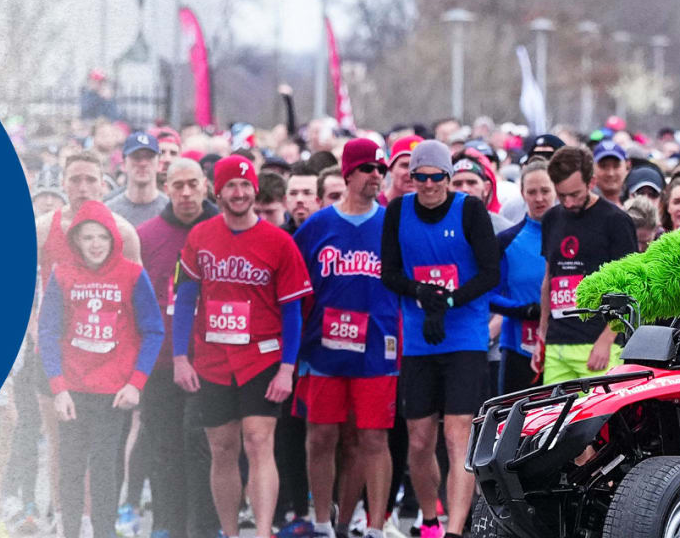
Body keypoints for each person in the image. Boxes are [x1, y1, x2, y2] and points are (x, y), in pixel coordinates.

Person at [172, 156, 313, 538]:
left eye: (245, 185)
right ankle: (232, 531)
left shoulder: (279, 242)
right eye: (231, 186)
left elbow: (293, 312)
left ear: (255, 190)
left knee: (257, 440)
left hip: (262, 357)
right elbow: (185, 300)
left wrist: (287, 368)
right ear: (217, 192)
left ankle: (263, 529)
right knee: (221, 448)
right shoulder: (199, 237)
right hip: (213, 358)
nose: (239, 193)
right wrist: (180, 358)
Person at [380, 140, 502, 538]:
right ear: (410, 178)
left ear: (448, 177)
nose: (429, 185)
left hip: (464, 336)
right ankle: (429, 521)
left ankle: (454, 528)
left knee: (456, 434)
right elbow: (389, 273)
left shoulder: (469, 209)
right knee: (418, 441)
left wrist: (448, 300)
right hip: (418, 340)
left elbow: (489, 274)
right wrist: (420, 293)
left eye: (436, 177)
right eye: (420, 177)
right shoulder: (398, 211)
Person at [291, 139, 402, 538]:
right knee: (321, 435)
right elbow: (296, 288)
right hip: (325, 349)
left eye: (380, 170)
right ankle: (322, 522)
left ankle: (369, 525)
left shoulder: (392, 223)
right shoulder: (318, 226)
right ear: (348, 174)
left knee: (371, 437)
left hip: (377, 348)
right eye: (369, 169)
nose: (377, 176)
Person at [38, 200, 165, 538]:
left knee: (105, 469)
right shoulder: (62, 274)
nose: (95, 244)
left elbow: (154, 329)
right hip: (73, 391)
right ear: (75, 240)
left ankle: (104, 532)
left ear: (114, 239)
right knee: (71, 469)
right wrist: (58, 387)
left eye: (102, 237)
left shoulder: (132, 274)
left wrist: (136, 383)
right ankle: (70, 531)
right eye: (87, 237)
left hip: (112, 393)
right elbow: (48, 330)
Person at [130, 157, 214, 538]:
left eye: (192, 185)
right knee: (162, 447)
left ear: (205, 186)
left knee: (204, 448)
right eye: (177, 185)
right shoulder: (146, 236)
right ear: (166, 188)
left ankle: (204, 526)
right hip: (161, 361)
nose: (185, 193)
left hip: (212, 360)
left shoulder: (221, 229)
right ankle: (166, 523)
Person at [534, 146, 640, 384]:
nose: (569, 203)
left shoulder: (615, 220)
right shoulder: (551, 218)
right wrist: (542, 333)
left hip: (599, 343)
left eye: (575, 194)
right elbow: (549, 277)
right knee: (554, 419)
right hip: (558, 344)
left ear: (591, 182)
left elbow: (630, 284)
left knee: (600, 420)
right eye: (562, 196)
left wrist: (608, 339)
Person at [489, 161, 554, 393]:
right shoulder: (507, 241)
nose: (539, 199)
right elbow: (490, 296)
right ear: (522, 193)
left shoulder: (571, 237)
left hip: (562, 349)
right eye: (532, 192)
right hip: (518, 348)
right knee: (514, 426)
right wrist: (525, 310)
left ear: (556, 189)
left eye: (545, 191)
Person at [108, 131, 173, 228]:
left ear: (159, 164)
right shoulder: (110, 211)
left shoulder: (171, 211)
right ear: (123, 165)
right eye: (136, 157)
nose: (143, 163)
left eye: (149, 157)